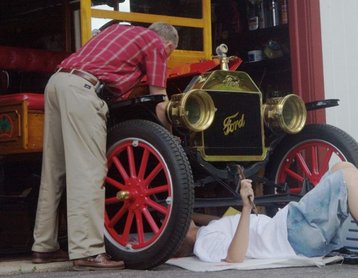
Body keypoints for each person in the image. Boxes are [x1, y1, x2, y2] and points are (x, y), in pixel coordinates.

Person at [31, 22, 179, 270]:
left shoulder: (117, 31)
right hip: (82, 90)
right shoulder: (156, 44)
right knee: (89, 171)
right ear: (169, 46)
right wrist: (173, 140)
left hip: (57, 83)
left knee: (54, 170)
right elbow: (160, 101)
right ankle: (88, 251)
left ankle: (44, 246)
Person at [177, 162, 358, 263]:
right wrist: (246, 208)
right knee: (347, 178)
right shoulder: (205, 241)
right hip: (292, 235)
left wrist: (184, 212)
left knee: (342, 167)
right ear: (179, 239)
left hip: (296, 233)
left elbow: (211, 220)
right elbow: (234, 257)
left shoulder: (211, 228)